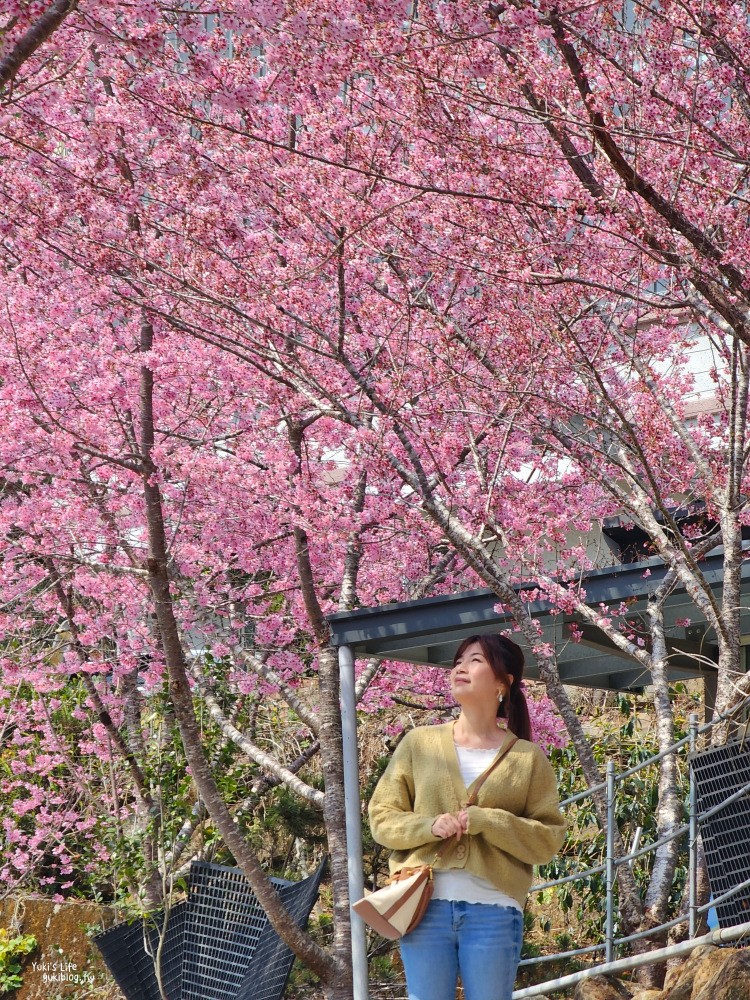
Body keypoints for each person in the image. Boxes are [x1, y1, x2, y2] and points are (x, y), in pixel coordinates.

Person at [368, 633, 566, 1000]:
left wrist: (488, 821)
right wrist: (428, 826)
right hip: (424, 908)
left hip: (494, 911)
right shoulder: (419, 743)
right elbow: (381, 817)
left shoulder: (528, 758)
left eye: (475, 660)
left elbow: (548, 839)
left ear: (503, 683)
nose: (461, 667)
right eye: (459, 660)